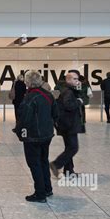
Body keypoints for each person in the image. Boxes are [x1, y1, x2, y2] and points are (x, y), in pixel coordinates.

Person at [15, 71, 58, 203]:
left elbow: (24, 119)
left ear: (28, 82)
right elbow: (55, 114)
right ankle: (47, 188)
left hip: (33, 136)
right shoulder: (48, 95)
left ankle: (40, 194)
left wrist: (19, 132)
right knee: (43, 160)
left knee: (34, 163)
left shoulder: (30, 97)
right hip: (47, 134)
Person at [50, 72, 83, 178]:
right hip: (69, 124)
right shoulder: (68, 92)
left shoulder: (67, 90)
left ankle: (69, 170)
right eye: (74, 79)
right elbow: (68, 105)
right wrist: (79, 101)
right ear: (68, 80)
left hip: (66, 124)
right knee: (73, 148)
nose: (77, 81)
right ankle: (56, 164)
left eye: (78, 79)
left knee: (69, 147)